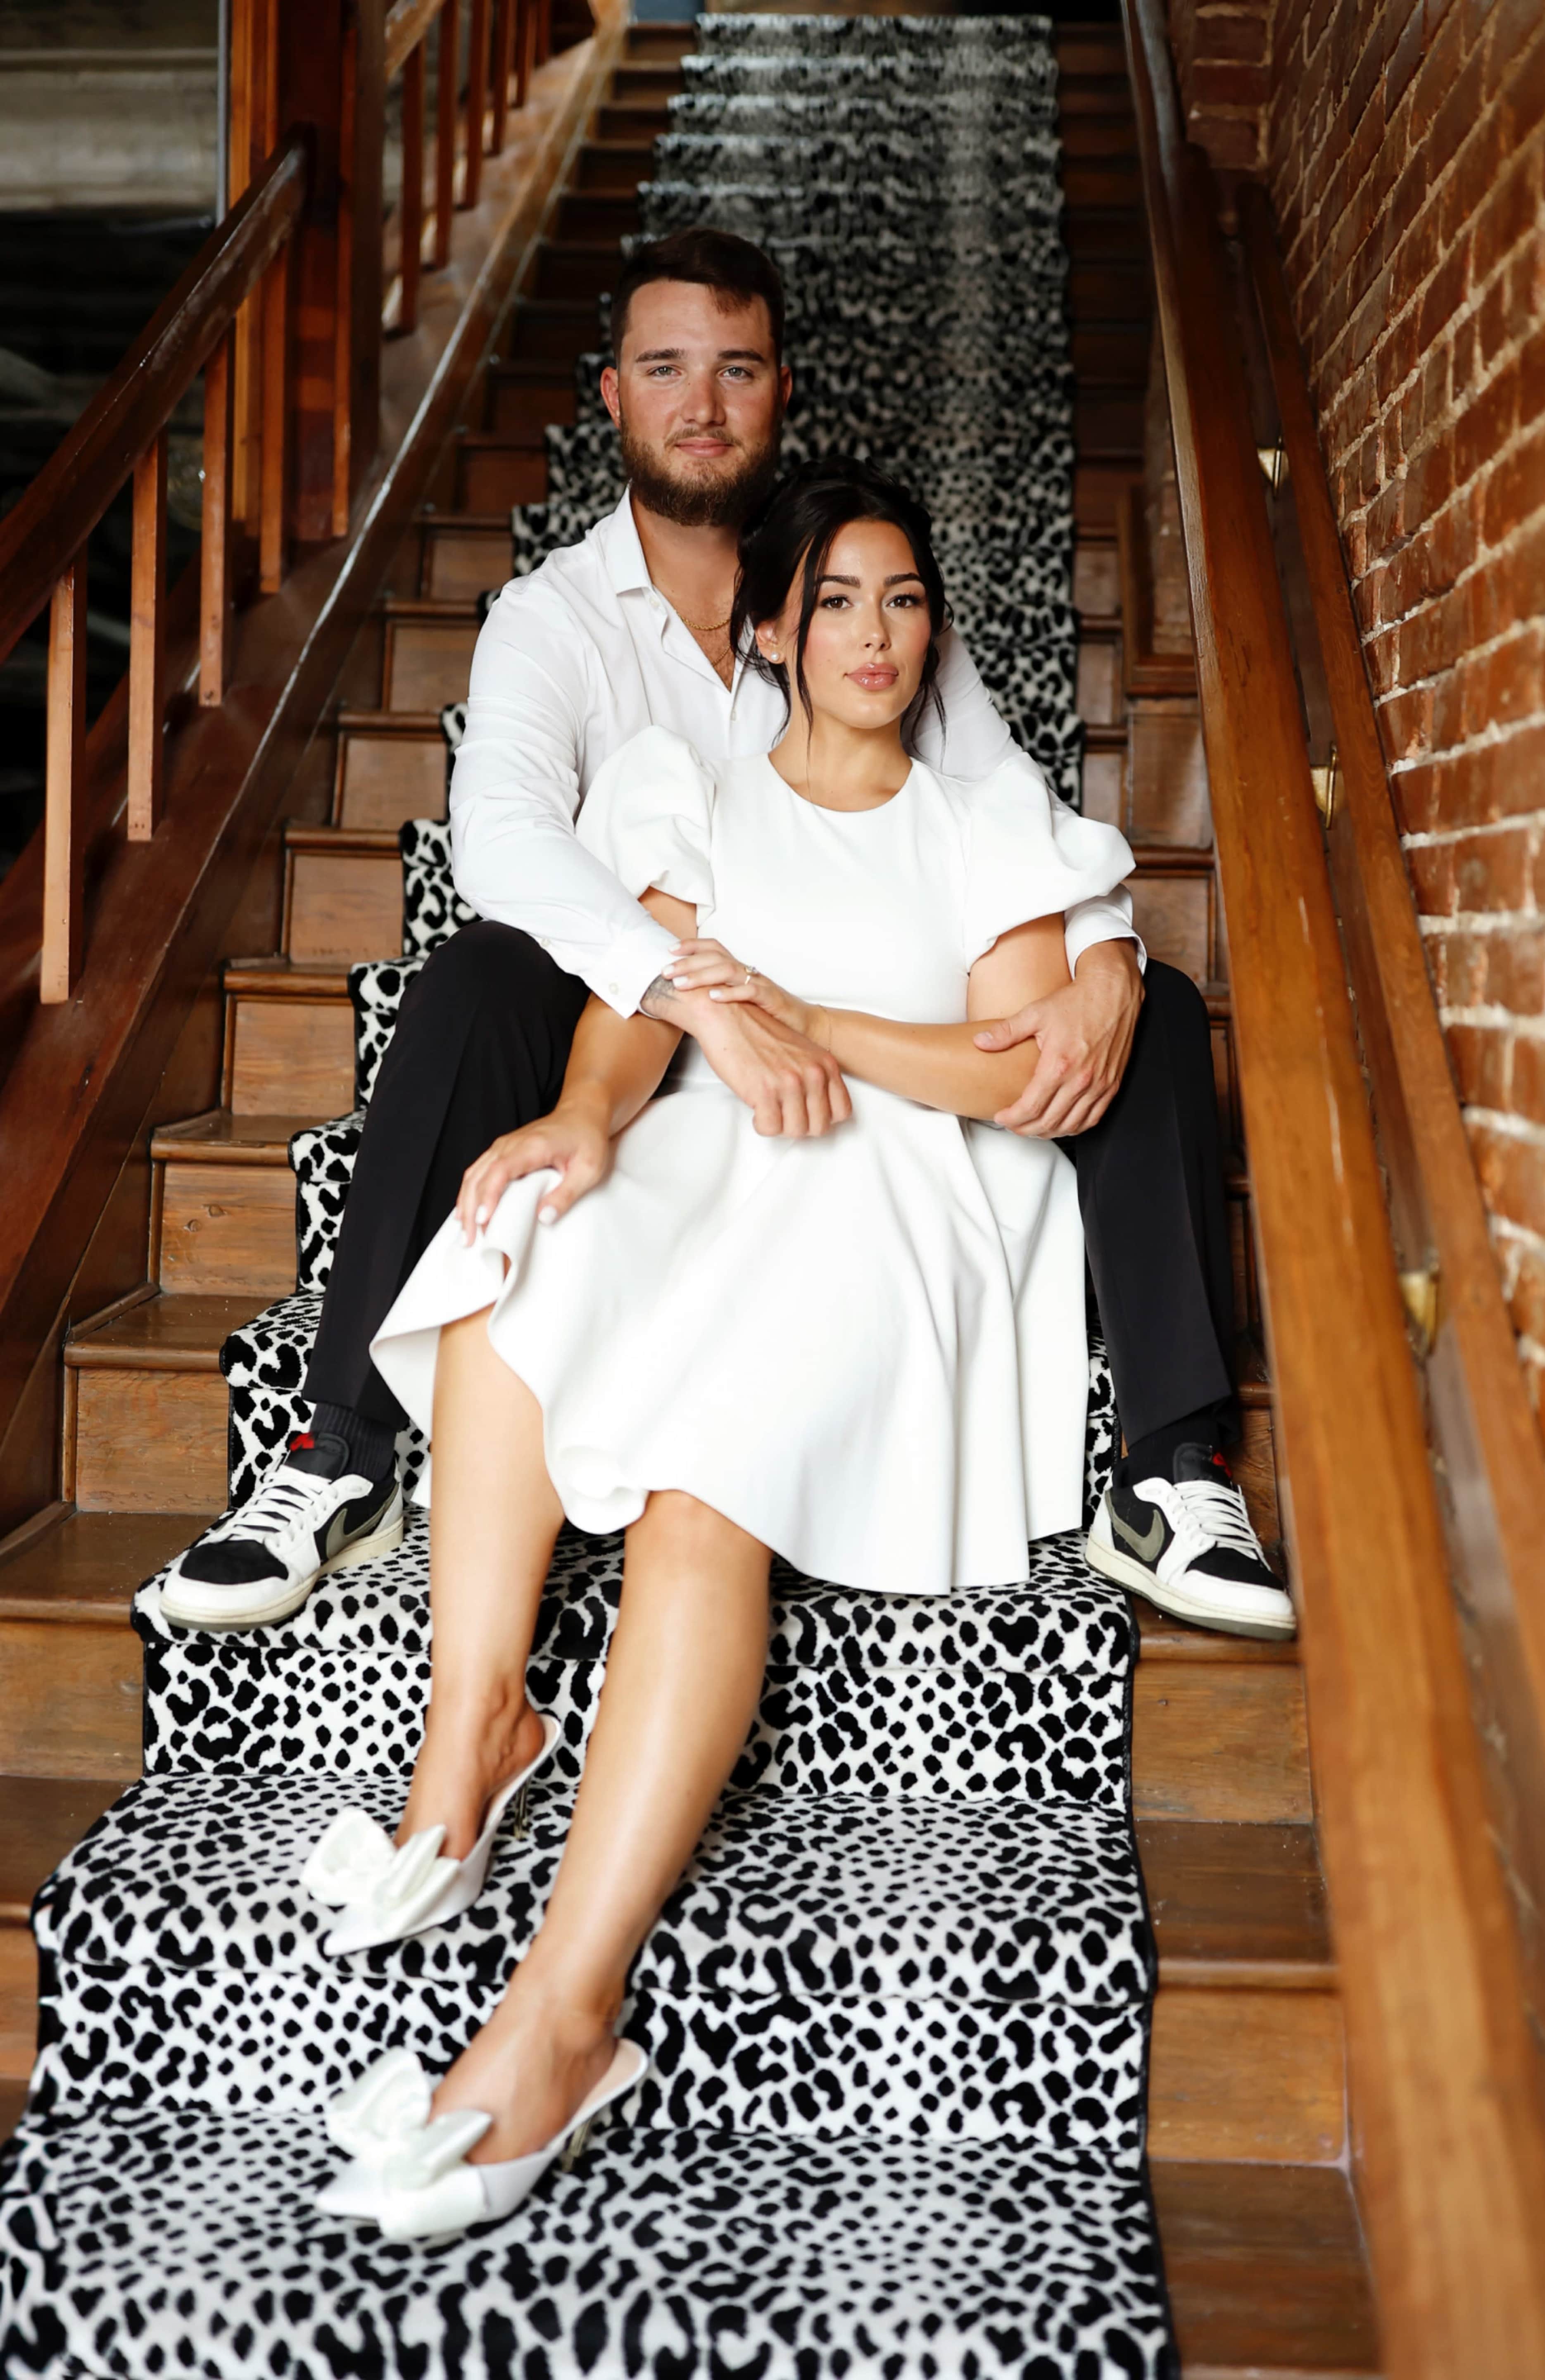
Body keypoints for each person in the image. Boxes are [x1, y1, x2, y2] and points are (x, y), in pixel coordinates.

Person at [309, 460, 1260, 2242]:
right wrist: (586, 1124)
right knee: (512, 1245)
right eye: (837, 601)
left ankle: (562, 2015)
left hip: (909, 1200)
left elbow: (1007, 1073)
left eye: (905, 601)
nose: (878, 636)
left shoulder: (987, 818)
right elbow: (625, 1016)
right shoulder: (691, 793)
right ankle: (472, 1731)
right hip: (710, 1152)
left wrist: (809, 1015)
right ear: (769, 631)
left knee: (698, 1496)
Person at [159, 229, 1291, 1643]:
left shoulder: (856, 603)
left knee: (1161, 1010)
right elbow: (505, 841)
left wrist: (1109, 958)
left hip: (867, 1046)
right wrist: (693, 996)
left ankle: (1174, 1470)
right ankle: (338, 1448)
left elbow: (1017, 817)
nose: (702, 403)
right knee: (474, 972)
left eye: (736, 369)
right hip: (636, 1030)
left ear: (780, 391)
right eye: (666, 368)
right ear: (613, 398)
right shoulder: (551, 616)